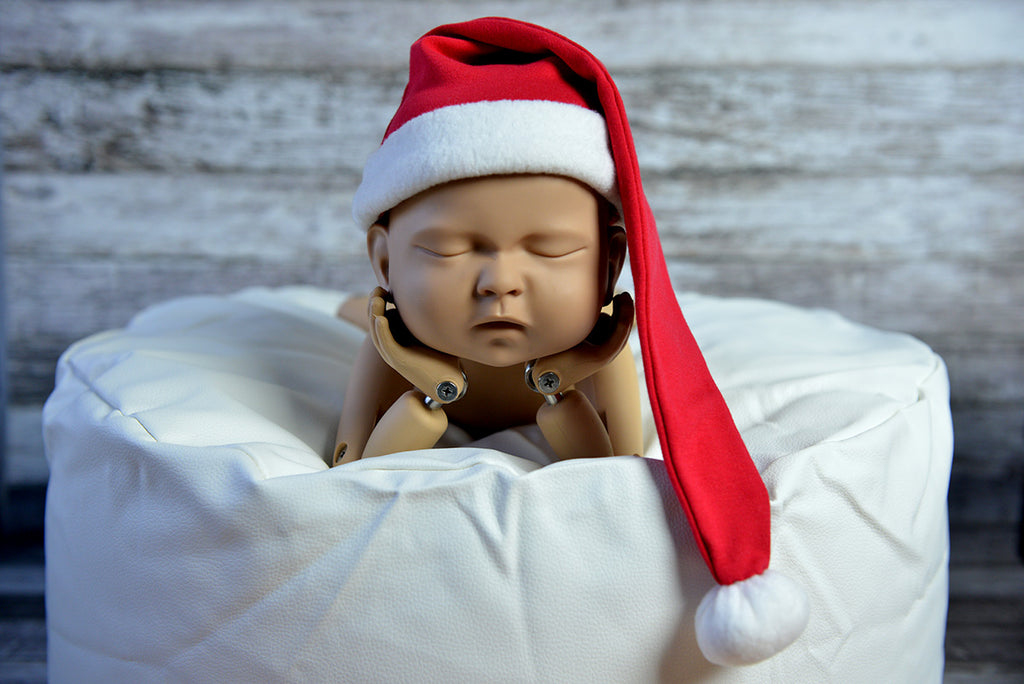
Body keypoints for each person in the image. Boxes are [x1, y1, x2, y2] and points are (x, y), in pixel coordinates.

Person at [331, 17, 807, 666]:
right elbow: (352, 472)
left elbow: (615, 465)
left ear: (611, 264)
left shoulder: (600, 357)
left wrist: (565, 394)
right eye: (447, 250)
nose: (499, 283)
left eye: (551, 250)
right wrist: (420, 393)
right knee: (356, 319)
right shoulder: (391, 346)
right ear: (384, 262)